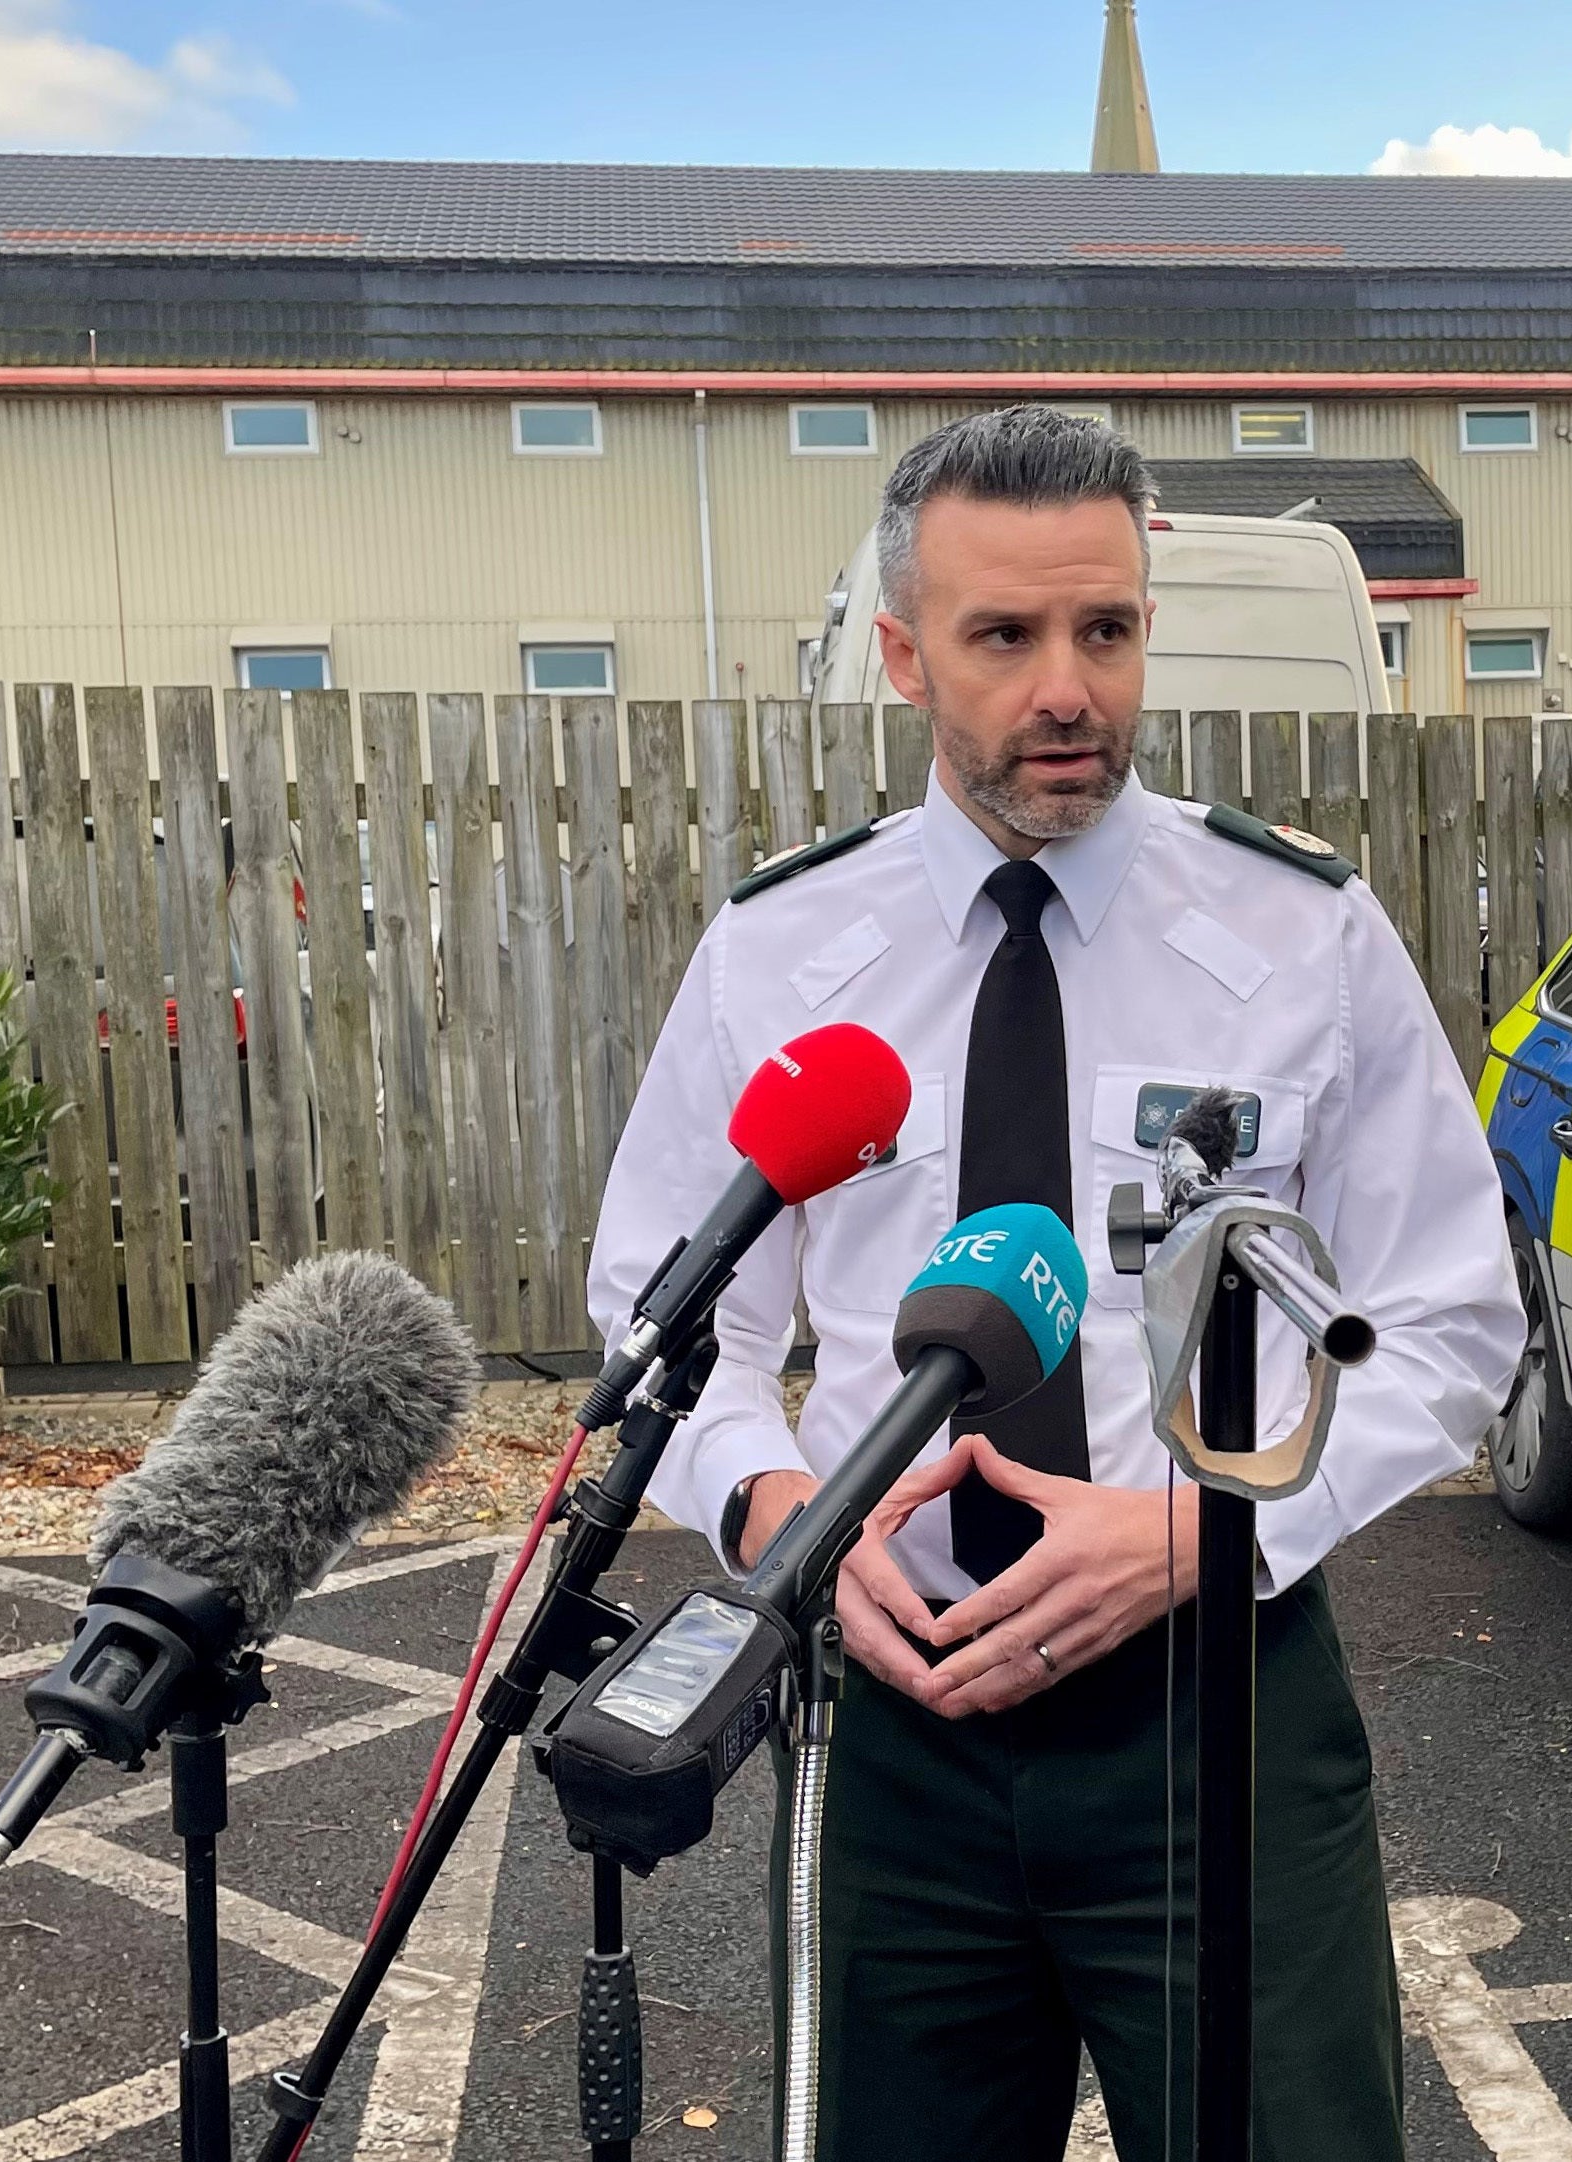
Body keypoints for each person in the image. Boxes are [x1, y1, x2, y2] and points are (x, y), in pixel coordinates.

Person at [587, 405, 1521, 2162]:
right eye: (1002, 638)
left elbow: (1452, 1317)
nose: (1065, 688)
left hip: (1216, 1702)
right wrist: (783, 1506)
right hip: (899, 1718)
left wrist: (1187, 1531)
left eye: (1105, 628)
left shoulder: (1297, 935)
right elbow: (669, 1325)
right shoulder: (784, 953)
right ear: (901, 652)